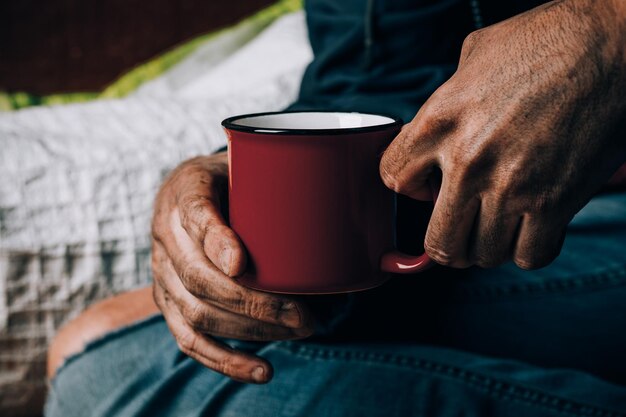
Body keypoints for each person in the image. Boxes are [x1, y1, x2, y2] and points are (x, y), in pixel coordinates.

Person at [46, 0, 626, 415]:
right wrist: (247, 178)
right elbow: (373, 79)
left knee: (104, 378)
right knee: (92, 344)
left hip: (597, 218)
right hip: (506, 236)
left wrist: (611, 33)